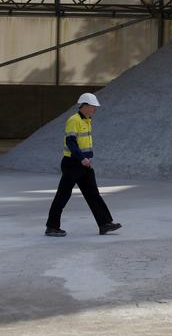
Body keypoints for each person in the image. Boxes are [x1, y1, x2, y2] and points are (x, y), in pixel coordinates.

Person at [45, 93, 121, 237]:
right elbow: (71, 142)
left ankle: (105, 224)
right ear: (84, 106)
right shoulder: (74, 120)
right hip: (72, 164)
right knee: (63, 195)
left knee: (93, 194)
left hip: (84, 164)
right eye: (93, 107)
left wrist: (86, 159)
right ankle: (52, 227)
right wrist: (81, 158)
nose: (95, 110)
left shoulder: (87, 120)